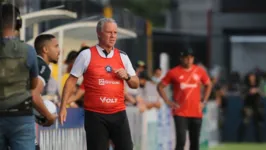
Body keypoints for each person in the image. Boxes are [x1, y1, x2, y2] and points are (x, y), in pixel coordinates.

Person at [59, 18, 139, 150]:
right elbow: (71, 81)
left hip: (118, 113)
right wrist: (63, 106)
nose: (113, 36)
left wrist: (128, 76)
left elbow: (135, 84)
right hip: (95, 116)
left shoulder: (122, 56)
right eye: (109, 32)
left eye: (115, 32)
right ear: (99, 33)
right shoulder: (86, 55)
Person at [0, 3, 53, 150]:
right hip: (21, 118)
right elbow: (34, 86)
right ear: (18, 23)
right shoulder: (28, 51)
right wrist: (48, 115)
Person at [157, 48, 212, 150]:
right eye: (186, 57)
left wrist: (204, 101)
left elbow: (208, 84)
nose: (189, 60)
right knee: (181, 140)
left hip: (196, 111)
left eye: (191, 57)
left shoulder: (199, 71)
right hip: (180, 111)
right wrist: (168, 101)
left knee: (195, 142)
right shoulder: (173, 72)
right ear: (181, 58)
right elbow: (160, 86)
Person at [237, 72, 264, 142]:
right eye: (250, 76)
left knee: (258, 125)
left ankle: (259, 141)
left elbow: (264, 93)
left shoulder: (259, 85)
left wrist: (257, 90)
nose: (252, 78)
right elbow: (242, 95)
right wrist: (249, 92)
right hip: (248, 107)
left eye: (253, 76)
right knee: (244, 123)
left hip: (257, 107)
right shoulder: (246, 85)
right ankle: (239, 140)